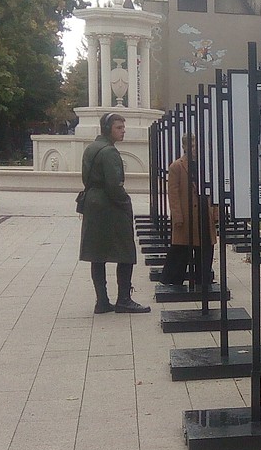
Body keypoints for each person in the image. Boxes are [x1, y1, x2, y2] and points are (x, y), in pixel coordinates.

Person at [80, 112, 150, 314]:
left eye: (123, 127)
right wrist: (125, 202)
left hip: (93, 204)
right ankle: (124, 299)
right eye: (119, 127)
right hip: (110, 207)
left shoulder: (91, 148)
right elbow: (114, 185)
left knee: (97, 254)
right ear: (107, 129)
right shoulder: (110, 152)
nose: (123, 131)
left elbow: (87, 179)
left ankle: (101, 301)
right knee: (126, 252)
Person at [160, 132, 217, 289]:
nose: (194, 149)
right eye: (190, 145)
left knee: (205, 246)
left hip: (204, 211)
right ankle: (172, 279)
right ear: (184, 146)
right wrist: (177, 215)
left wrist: (215, 212)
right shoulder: (176, 166)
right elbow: (173, 193)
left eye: (195, 145)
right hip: (186, 214)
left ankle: (203, 278)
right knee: (181, 248)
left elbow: (213, 190)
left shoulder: (205, 165)